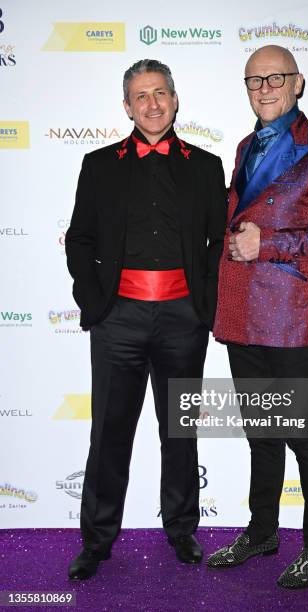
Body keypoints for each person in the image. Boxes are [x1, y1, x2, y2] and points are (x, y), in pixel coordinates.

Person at [65, 59, 226, 580]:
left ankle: (182, 529)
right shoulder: (99, 164)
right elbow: (80, 239)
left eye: (160, 93)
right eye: (140, 96)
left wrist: (205, 305)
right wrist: (97, 304)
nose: (152, 104)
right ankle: (96, 540)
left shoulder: (206, 166)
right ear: (127, 106)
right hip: (119, 322)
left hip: (183, 320)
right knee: (110, 431)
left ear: (175, 100)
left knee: (179, 431)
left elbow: (218, 244)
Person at [207, 45, 308, 588]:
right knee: (261, 436)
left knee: (305, 436)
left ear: (298, 84)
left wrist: (267, 242)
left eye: (275, 78)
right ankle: (263, 530)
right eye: (254, 81)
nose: (264, 88)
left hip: (292, 320)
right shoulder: (247, 146)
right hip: (243, 315)